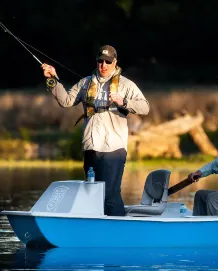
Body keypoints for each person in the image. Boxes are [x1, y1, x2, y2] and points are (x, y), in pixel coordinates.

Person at [41, 45, 150, 216]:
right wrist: (53, 81)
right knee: (92, 196)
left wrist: (124, 101)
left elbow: (145, 107)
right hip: (91, 146)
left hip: (113, 147)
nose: (104, 65)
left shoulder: (126, 84)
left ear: (115, 62)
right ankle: (96, 233)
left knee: (110, 195)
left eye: (108, 61)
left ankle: (119, 232)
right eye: (100, 61)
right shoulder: (85, 83)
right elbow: (66, 101)